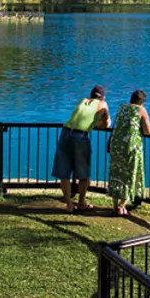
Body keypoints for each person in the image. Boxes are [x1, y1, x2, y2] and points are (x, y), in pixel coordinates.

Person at [52, 84, 110, 212]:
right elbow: (105, 125)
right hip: (80, 137)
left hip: (65, 133)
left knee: (65, 172)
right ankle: (81, 202)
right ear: (103, 97)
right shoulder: (103, 105)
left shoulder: (83, 101)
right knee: (84, 173)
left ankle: (69, 205)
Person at [107, 89, 150, 216]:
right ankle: (121, 207)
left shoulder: (122, 108)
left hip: (116, 145)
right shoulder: (140, 110)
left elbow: (117, 126)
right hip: (130, 147)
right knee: (130, 175)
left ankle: (115, 206)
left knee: (116, 174)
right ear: (142, 102)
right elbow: (148, 130)